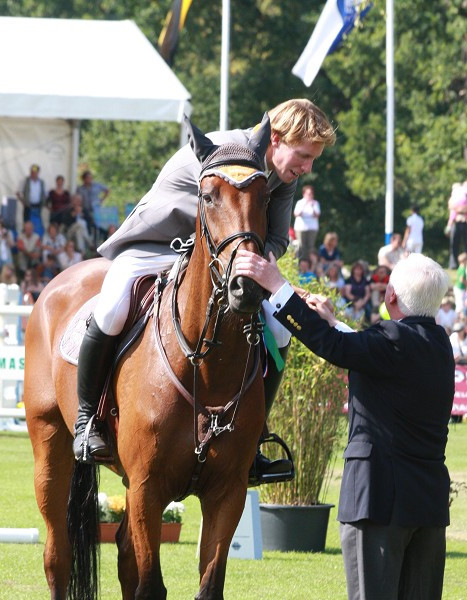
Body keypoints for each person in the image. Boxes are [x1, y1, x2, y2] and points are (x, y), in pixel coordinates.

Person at [234, 250, 455, 600]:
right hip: (425, 503)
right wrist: (335, 321)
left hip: (377, 498)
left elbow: (340, 347)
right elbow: (367, 347)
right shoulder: (438, 344)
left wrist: (277, 284)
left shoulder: (389, 342)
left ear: (391, 296)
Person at [73, 98, 336, 475]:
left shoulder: (282, 176)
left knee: (279, 328)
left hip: (218, 258)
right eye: (304, 155)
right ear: (275, 138)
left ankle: (256, 436)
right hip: (160, 241)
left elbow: (277, 238)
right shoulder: (228, 153)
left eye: (313, 159)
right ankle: (86, 422)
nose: (308, 167)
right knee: (114, 304)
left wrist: (265, 270)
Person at [76, 169, 109, 237]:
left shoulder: (96, 185)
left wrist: (102, 199)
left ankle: (101, 236)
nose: (89, 179)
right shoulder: (80, 188)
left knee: (98, 225)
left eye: (90, 178)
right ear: (84, 179)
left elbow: (107, 190)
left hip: (96, 209)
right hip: (85, 210)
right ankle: (90, 236)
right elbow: (78, 199)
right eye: (88, 178)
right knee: (87, 223)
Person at [17, 164, 46, 237]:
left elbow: (44, 194)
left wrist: (43, 203)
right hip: (28, 207)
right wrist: (23, 202)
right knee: (27, 225)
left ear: (38, 173)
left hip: (38, 207)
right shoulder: (25, 181)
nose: (33, 174)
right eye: (32, 172)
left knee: (37, 225)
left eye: (35, 172)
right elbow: (18, 193)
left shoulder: (41, 182)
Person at [293, 184, 320, 257]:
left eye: (311, 193)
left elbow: (317, 215)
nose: (310, 195)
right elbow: (296, 214)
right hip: (301, 228)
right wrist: (305, 204)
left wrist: (312, 206)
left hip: (312, 228)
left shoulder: (315, 203)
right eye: (308, 193)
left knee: (310, 247)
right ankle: (300, 261)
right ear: (304, 194)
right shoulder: (300, 202)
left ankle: (309, 263)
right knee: (301, 246)